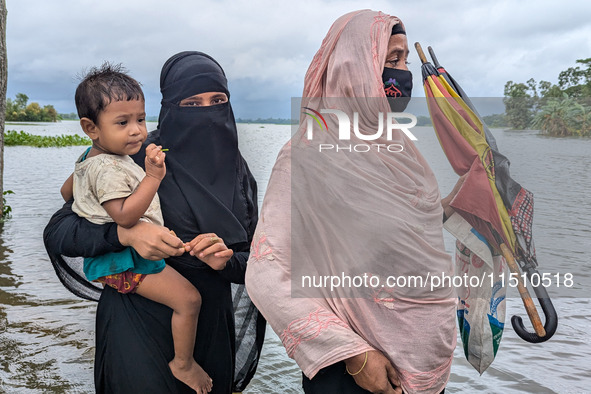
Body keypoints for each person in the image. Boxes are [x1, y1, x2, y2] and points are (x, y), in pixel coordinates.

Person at [245, 10, 459, 394]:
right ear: (355, 67)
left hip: (425, 372)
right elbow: (266, 272)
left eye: (405, 60)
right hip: (357, 375)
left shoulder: (399, 149)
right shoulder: (308, 157)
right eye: (391, 60)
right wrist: (353, 355)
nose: (403, 72)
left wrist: (468, 201)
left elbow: (405, 229)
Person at [44, 52, 264, 394]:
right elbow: (59, 232)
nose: (207, 111)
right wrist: (126, 233)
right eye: (192, 103)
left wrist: (228, 261)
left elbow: (262, 259)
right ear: (171, 106)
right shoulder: (133, 155)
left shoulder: (238, 173)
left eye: (218, 100)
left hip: (209, 326)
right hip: (135, 319)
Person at [60, 63, 218, 393]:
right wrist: (153, 177)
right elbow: (126, 218)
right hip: (124, 262)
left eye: (141, 119)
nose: (136, 131)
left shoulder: (92, 158)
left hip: (115, 259)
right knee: (189, 301)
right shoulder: (108, 167)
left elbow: (66, 193)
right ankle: (183, 364)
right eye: (123, 122)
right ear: (91, 127)